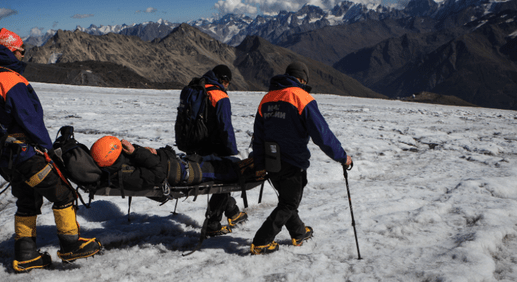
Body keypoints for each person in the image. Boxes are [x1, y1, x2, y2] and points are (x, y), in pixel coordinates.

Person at [0, 28, 101, 272]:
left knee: (27, 201)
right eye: (20, 51)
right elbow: (30, 119)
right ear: (9, 50)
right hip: (26, 154)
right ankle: (71, 246)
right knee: (63, 193)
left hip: (6, 157)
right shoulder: (8, 79)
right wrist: (49, 151)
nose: (22, 56)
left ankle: (26, 255)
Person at [250, 61, 353, 255]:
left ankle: (298, 233)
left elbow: (258, 135)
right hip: (292, 161)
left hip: (272, 162)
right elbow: (322, 134)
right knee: (289, 204)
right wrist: (342, 157)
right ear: (302, 79)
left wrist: (259, 163)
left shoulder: (267, 98)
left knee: (287, 200)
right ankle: (261, 241)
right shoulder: (301, 97)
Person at [192, 65, 247, 237]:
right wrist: (232, 151)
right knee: (225, 180)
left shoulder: (196, 90)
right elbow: (225, 127)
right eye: (228, 83)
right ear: (223, 80)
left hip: (195, 145)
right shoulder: (219, 96)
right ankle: (213, 224)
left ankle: (233, 212)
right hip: (213, 147)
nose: (227, 86)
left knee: (221, 181)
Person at [90, 136, 243, 191]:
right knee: (227, 169)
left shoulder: (120, 162)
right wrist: (138, 152)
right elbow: (158, 173)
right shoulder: (126, 174)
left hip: (177, 163)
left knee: (220, 160)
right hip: (181, 172)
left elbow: (152, 164)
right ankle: (248, 169)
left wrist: (140, 151)